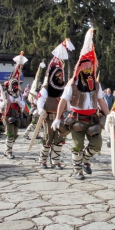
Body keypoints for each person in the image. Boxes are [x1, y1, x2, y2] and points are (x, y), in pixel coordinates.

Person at [52, 28, 109, 180]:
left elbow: (101, 101)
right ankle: (78, 171)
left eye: (91, 68)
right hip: (77, 119)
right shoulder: (72, 84)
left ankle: (85, 160)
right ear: (80, 69)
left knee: (97, 145)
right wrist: (58, 118)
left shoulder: (96, 85)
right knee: (77, 146)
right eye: (86, 68)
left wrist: (109, 116)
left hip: (93, 119)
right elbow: (63, 101)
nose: (89, 70)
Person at [37, 38, 75, 169]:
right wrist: (40, 109)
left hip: (61, 117)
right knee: (48, 138)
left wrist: (69, 112)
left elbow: (67, 101)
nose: (60, 77)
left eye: (61, 75)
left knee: (59, 139)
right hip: (49, 117)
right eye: (58, 75)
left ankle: (55, 161)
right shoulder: (46, 87)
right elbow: (40, 100)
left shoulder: (63, 88)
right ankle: (43, 160)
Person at [0, 52, 27, 159]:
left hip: (16, 116)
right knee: (10, 134)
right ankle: (8, 151)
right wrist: (4, 103)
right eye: (13, 85)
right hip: (7, 115)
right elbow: (0, 105)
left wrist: (17, 101)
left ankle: (8, 148)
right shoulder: (5, 94)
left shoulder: (18, 94)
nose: (15, 86)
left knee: (14, 135)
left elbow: (23, 104)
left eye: (16, 84)